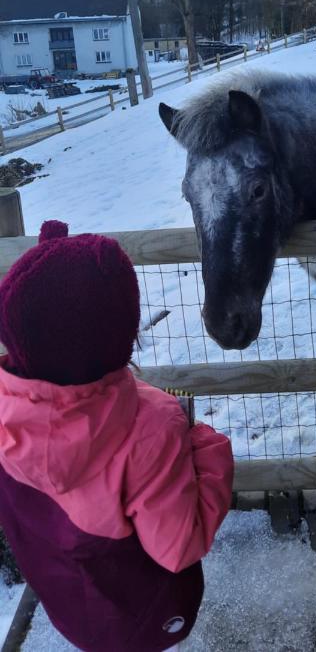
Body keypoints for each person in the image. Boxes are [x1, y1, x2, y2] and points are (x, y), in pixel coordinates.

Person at [0, 221, 233, 651]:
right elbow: (180, 547)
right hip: (144, 615)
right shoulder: (151, 429)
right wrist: (209, 449)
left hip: (69, 604)